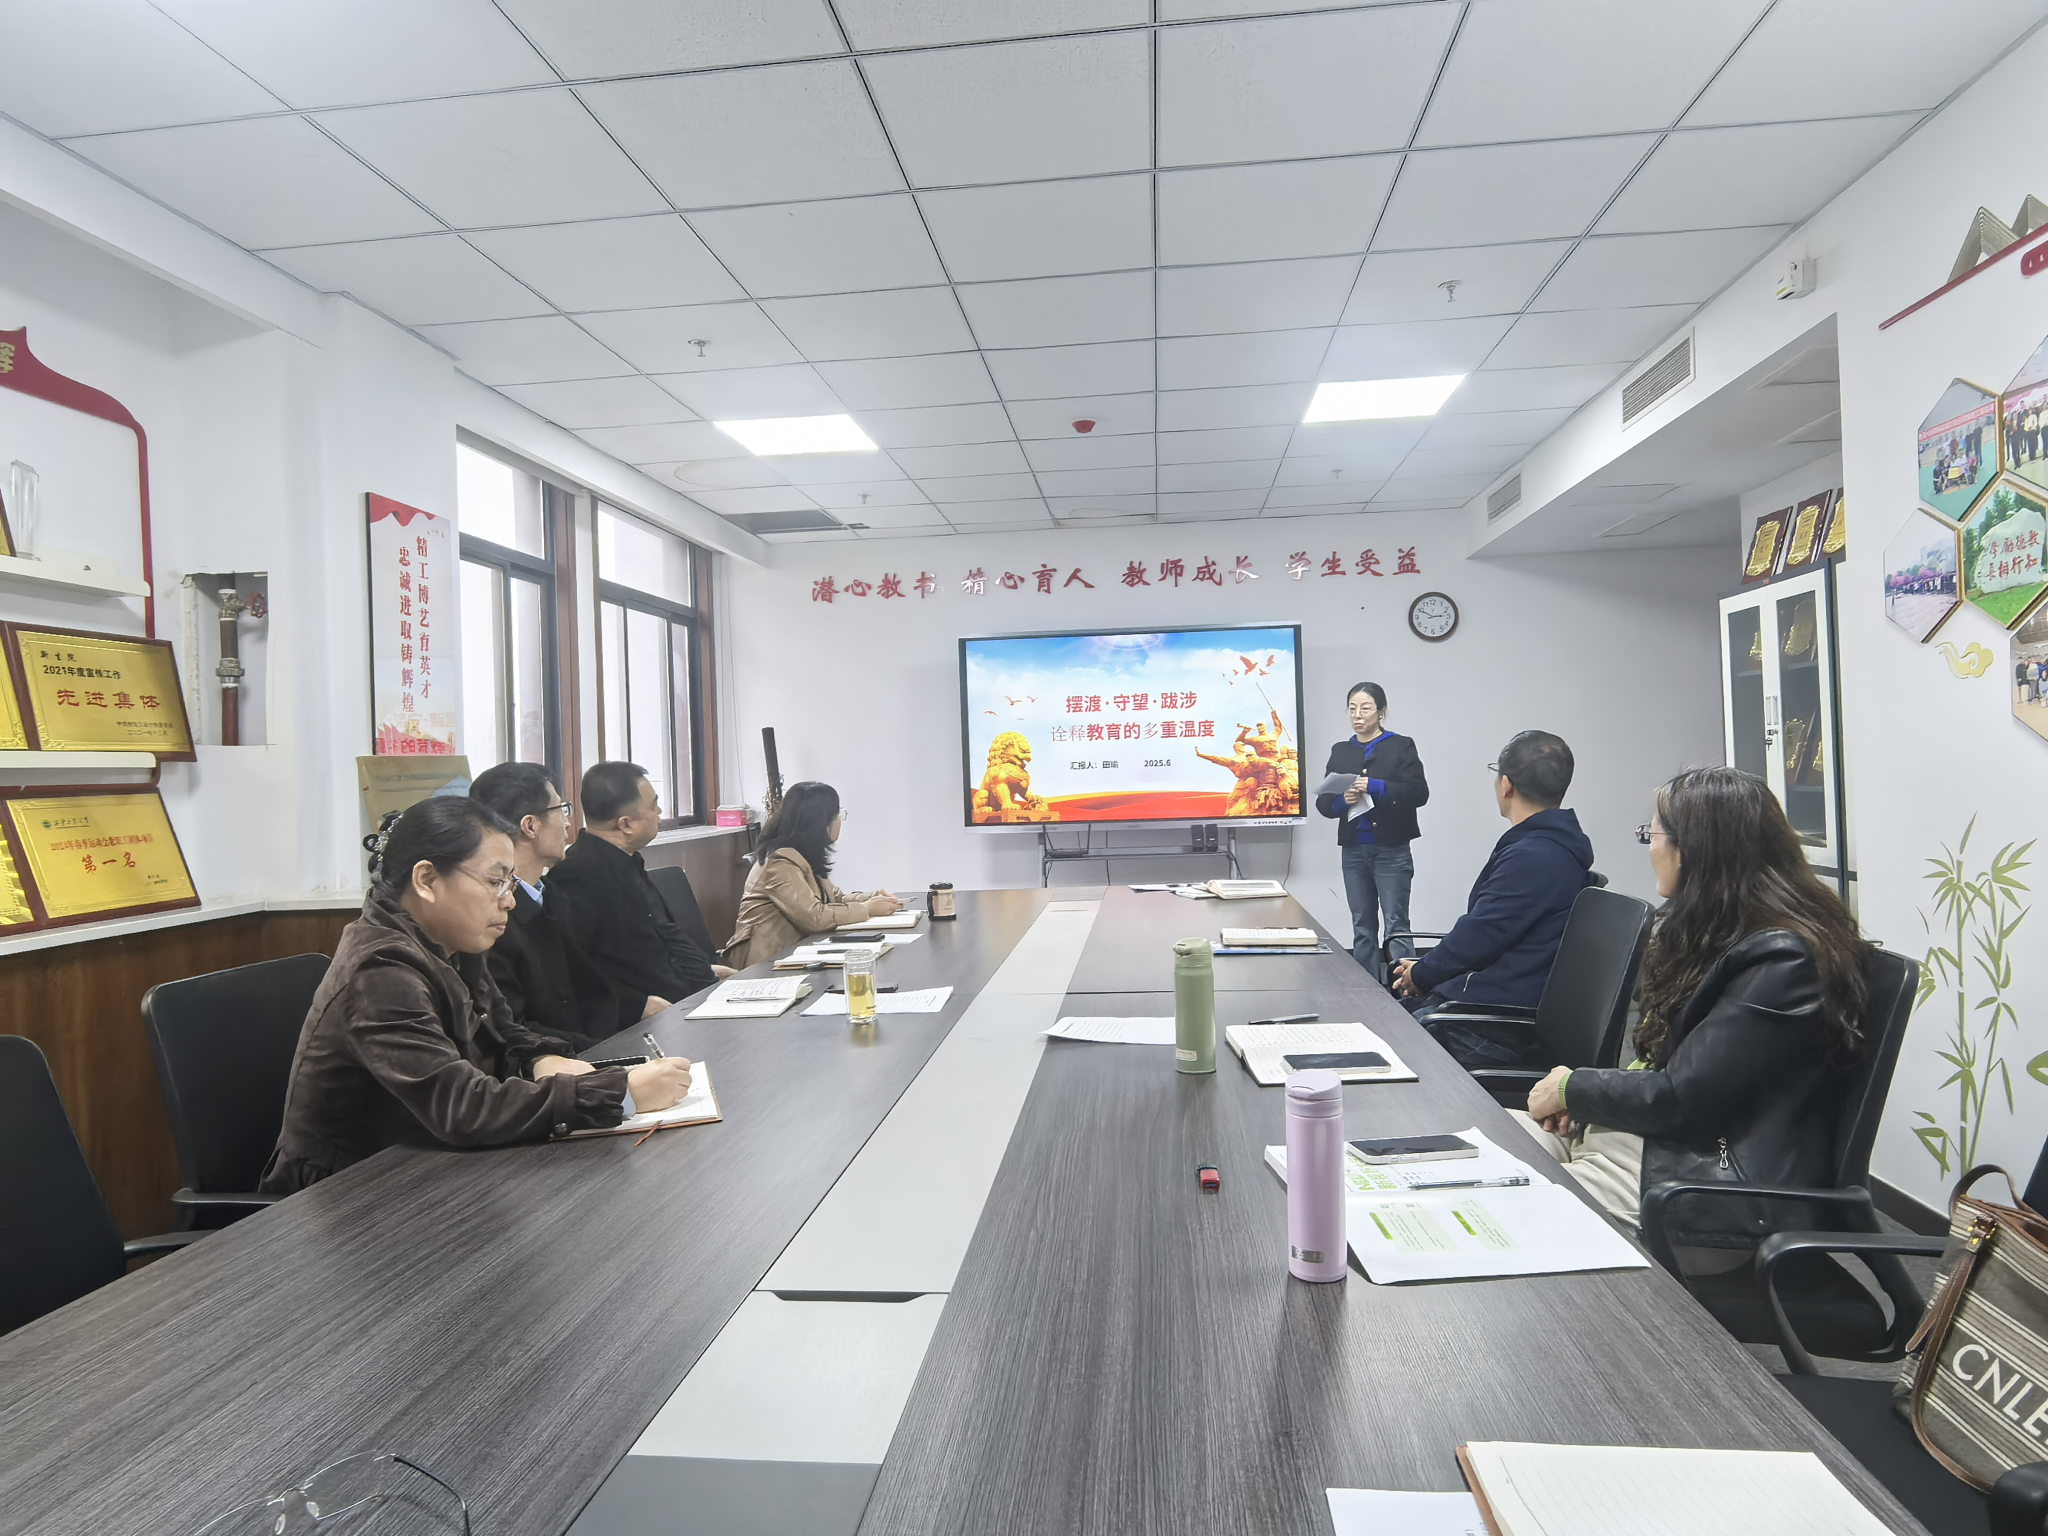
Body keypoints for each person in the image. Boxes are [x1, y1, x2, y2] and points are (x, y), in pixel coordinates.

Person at [1518, 767, 1869, 1268]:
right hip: (1655, 1146)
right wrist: (1587, 1098)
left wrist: (1576, 1088)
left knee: (1506, 1213)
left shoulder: (1783, 959)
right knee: (1483, 1151)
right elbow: (1676, 1070)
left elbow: (1683, 1096)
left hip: (1702, 1183)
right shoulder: (1726, 931)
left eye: (1652, 835)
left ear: (1694, 850)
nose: (1649, 849)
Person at [259, 797, 693, 1194]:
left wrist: (539, 1058)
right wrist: (619, 1092)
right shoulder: (379, 968)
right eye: (496, 881)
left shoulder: (453, 944)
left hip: (430, 1166)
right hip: (342, 1196)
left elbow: (504, 1032)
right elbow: (461, 1106)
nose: (509, 902)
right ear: (427, 879)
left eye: (510, 883)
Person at [1391, 730, 1594, 1068]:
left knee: (1380, 1049)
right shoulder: (1547, 845)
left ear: (1506, 785)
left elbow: (1481, 933)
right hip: (1488, 1005)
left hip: (1492, 1026)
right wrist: (1427, 970)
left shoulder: (1536, 855)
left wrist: (1423, 973)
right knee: (1383, 1023)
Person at [472, 762, 667, 1051]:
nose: (567, 823)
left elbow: (589, 984)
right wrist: (615, 1055)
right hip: (564, 1061)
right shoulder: (495, 919)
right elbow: (515, 1030)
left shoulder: (550, 895)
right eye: (560, 810)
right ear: (530, 826)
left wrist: (635, 1009)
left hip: (598, 1044)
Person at [546, 762, 728, 1015]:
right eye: (654, 806)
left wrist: (704, 970)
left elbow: (661, 938)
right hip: (651, 1016)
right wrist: (635, 1005)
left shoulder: (628, 861)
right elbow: (574, 971)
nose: (659, 812)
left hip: (687, 996)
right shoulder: (577, 876)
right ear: (625, 824)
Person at [723, 781, 901, 969]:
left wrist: (873, 897)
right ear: (821, 822)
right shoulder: (778, 862)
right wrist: (866, 909)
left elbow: (834, 898)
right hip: (763, 966)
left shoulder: (804, 854)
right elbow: (814, 917)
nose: (839, 821)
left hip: (794, 955)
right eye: (837, 815)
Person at [1314, 681, 1428, 971]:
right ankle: (1366, 990)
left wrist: (1375, 786)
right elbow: (1324, 804)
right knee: (1362, 926)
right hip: (1353, 851)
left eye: (1365, 708)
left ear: (1381, 711)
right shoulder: (1341, 751)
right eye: (1352, 708)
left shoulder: (1401, 745)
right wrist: (1343, 800)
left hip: (1391, 850)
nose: (1357, 715)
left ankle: (1404, 989)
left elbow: (1418, 793)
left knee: (1396, 925)